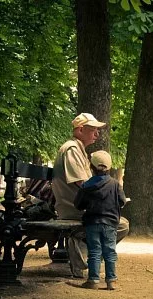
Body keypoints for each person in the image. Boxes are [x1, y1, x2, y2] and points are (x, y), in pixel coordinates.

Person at [52, 113, 129, 278]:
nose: (97, 133)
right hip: (75, 208)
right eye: (93, 129)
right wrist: (109, 196)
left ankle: (86, 258)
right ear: (80, 130)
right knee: (120, 224)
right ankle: (80, 247)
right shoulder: (72, 149)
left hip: (83, 206)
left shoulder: (78, 150)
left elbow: (87, 185)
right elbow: (83, 184)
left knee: (116, 222)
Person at [74, 151, 126, 290]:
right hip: (110, 223)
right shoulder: (115, 184)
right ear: (109, 167)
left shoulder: (86, 185)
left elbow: (78, 204)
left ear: (91, 167)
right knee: (110, 251)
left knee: (94, 251)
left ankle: (93, 280)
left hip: (92, 222)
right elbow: (122, 201)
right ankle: (111, 281)